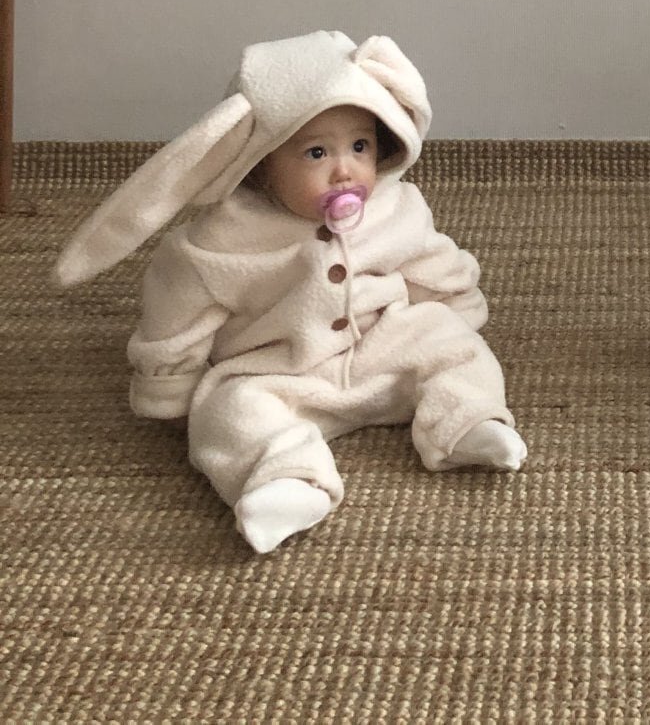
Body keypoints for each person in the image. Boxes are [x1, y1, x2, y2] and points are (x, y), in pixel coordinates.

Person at [56, 30, 526, 554]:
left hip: (385, 354)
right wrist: (170, 382)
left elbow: (430, 261)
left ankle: (465, 421)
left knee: (450, 343)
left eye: (360, 146)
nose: (344, 169)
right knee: (227, 409)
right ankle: (285, 479)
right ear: (260, 165)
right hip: (280, 374)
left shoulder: (396, 206)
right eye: (316, 152)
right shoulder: (222, 238)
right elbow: (177, 312)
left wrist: (457, 309)